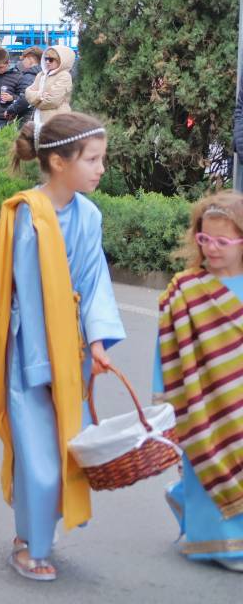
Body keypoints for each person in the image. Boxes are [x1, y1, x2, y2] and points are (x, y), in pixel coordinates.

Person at [0, 113, 122, 582]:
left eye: (102, 159)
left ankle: (32, 531)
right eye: (93, 159)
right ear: (59, 162)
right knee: (38, 454)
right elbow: (26, 292)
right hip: (32, 351)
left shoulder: (89, 216)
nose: (101, 168)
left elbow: (95, 282)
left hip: (73, 351)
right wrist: (43, 360)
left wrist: (98, 342)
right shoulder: (28, 214)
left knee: (61, 446)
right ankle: (33, 545)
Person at [152, 191, 243, 573]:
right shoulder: (185, 289)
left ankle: (181, 496)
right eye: (205, 239)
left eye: (223, 242)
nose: (212, 248)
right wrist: (165, 403)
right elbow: (167, 347)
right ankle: (222, 545)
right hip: (201, 402)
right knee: (208, 459)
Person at [24, 45, 74, 124]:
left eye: (51, 59)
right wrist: (40, 95)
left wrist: (34, 102)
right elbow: (27, 93)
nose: (47, 62)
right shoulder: (41, 74)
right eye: (46, 59)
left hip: (56, 121)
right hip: (38, 119)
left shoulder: (64, 76)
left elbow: (52, 101)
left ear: (61, 61)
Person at [5, 47, 43, 124]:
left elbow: (25, 98)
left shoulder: (29, 76)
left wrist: (10, 110)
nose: (22, 62)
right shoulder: (44, 74)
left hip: (28, 118)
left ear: (30, 58)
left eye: (23, 59)